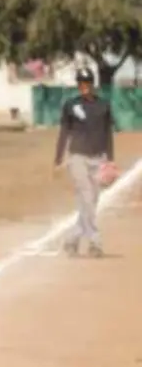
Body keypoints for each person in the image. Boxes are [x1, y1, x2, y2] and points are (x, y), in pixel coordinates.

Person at [54, 66, 116, 258]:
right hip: (77, 157)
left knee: (90, 202)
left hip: (98, 158)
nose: (84, 86)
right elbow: (64, 132)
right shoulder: (71, 105)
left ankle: (72, 239)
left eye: (87, 83)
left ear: (92, 84)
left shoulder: (104, 106)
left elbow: (108, 134)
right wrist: (58, 158)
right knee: (87, 196)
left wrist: (110, 160)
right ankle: (95, 242)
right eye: (81, 83)